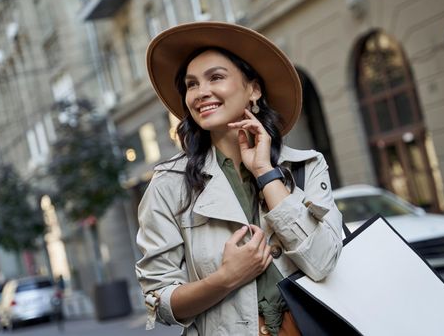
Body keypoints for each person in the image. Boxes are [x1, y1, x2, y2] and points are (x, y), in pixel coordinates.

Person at [135, 21, 343, 336]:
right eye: (191, 84)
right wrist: (226, 277)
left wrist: (265, 172)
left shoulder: (307, 167)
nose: (201, 92)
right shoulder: (169, 184)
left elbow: (323, 262)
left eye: (215, 77)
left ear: (253, 89)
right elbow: (159, 301)